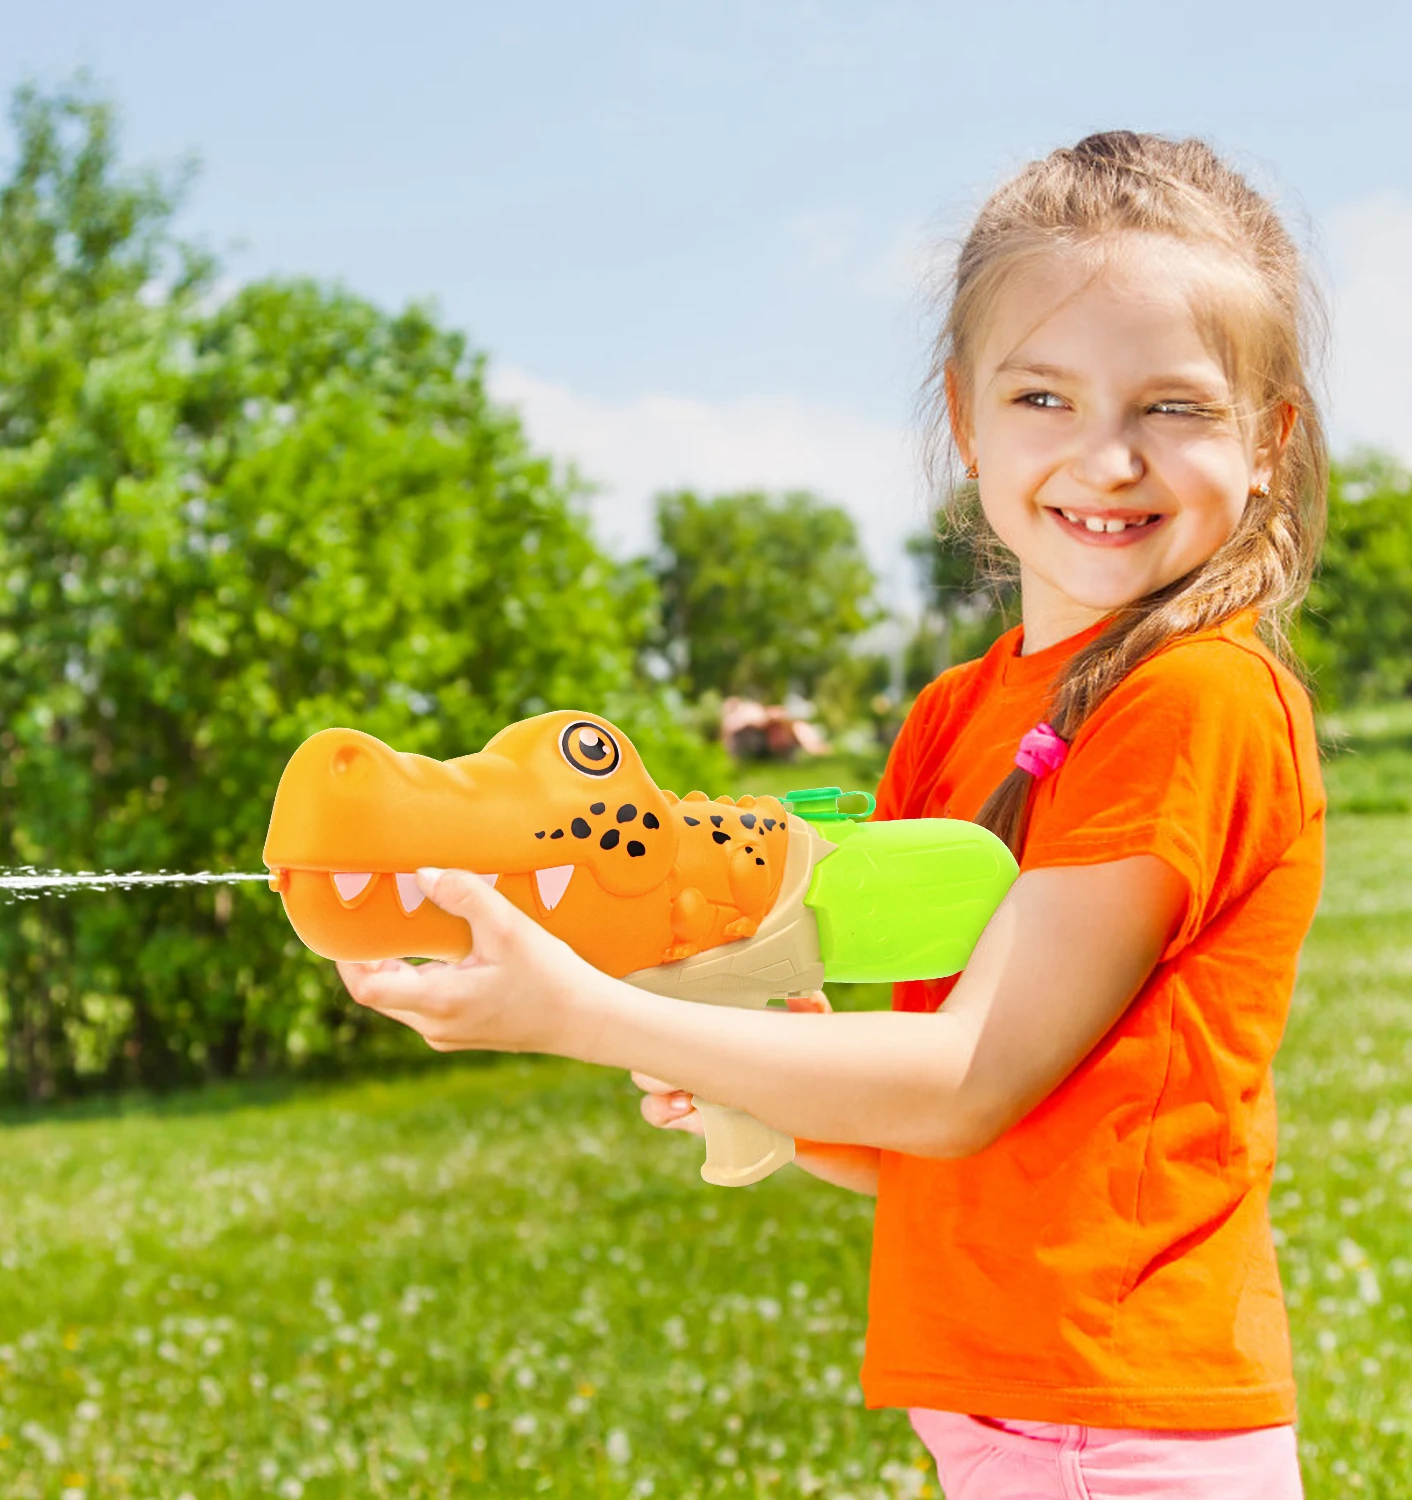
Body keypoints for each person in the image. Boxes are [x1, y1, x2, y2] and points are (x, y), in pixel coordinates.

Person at [338, 132, 1326, 1499]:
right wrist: (753, 1068)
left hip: (1132, 1427)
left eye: (1175, 407)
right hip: (997, 1411)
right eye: (1045, 396)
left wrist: (583, 1015)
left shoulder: (1196, 700)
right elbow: (916, 1140)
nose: (1107, 459)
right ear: (968, 420)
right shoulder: (947, 720)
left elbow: (971, 1082)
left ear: (1270, 442)